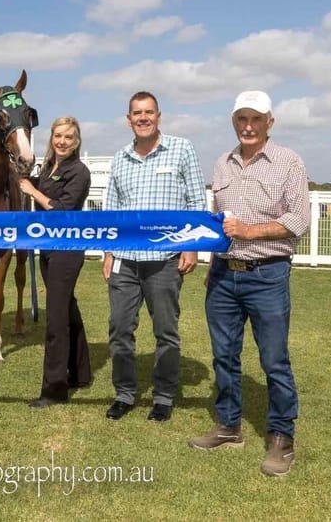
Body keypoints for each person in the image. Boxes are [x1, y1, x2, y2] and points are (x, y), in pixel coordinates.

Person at [188, 91, 310, 477]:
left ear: (269, 122)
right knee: (224, 356)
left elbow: (299, 221)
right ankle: (228, 426)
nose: (248, 126)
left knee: (274, 360)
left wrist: (250, 231)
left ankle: (281, 438)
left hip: (268, 274)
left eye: (256, 119)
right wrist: (212, 262)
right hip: (224, 274)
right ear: (233, 121)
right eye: (242, 118)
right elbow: (216, 223)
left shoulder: (289, 162)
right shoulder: (222, 163)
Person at [103, 91, 206, 422]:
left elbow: (195, 203)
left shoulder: (182, 149)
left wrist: (191, 245)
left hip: (164, 259)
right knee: (119, 328)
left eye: (148, 112)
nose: (143, 117)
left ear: (158, 116)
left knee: (165, 330)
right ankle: (125, 393)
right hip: (125, 260)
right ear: (128, 119)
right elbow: (112, 210)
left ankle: (163, 396)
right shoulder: (120, 158)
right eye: (137, 113)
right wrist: (108, 252)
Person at [19, 116, 92, 409]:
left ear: (77, 141)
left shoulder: (79, 172)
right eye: (58, 136)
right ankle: (81, 372)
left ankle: (54, 389)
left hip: (67, 251)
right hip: (47, 249)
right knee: (68, 309)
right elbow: (33, 183)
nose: (62, 141)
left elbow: (62, 209)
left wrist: (33, 192)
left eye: (69, 137)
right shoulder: (50, 167)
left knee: (56, 319)